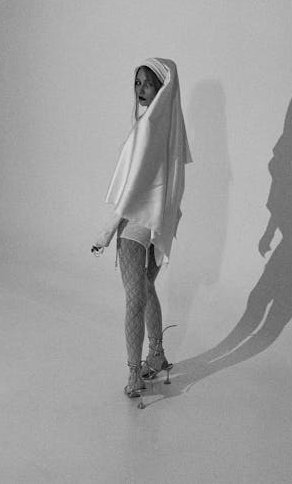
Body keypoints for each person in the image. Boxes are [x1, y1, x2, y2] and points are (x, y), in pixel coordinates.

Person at [91, 58, 192, 398]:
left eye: (148, 83)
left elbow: (133, 188)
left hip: (137, 223)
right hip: (156, 223)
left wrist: (107, 229)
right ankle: (157, 355)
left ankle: (136, 373)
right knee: (144, 290)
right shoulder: (166, 126)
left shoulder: (151, 127)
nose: (140, 89)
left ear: (163, 87)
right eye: (137, 83)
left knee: (136, 296)